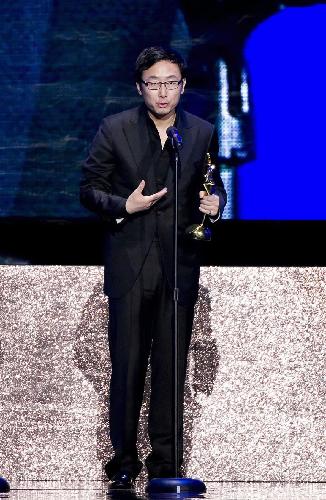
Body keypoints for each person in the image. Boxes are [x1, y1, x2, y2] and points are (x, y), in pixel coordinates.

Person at [80, 46, 227, 490]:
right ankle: (123, 462)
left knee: (172, 368)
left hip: (179, 265)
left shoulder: (200, 132)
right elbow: (89, 188)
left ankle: (165, 463)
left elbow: (212, 180)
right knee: (127, 367)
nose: (163, 92)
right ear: (140, 87)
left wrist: (216, 203)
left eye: (171, 83)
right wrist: (124, 205)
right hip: (130, 265)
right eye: (153, 83)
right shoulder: (115, 129)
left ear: (182, 86)